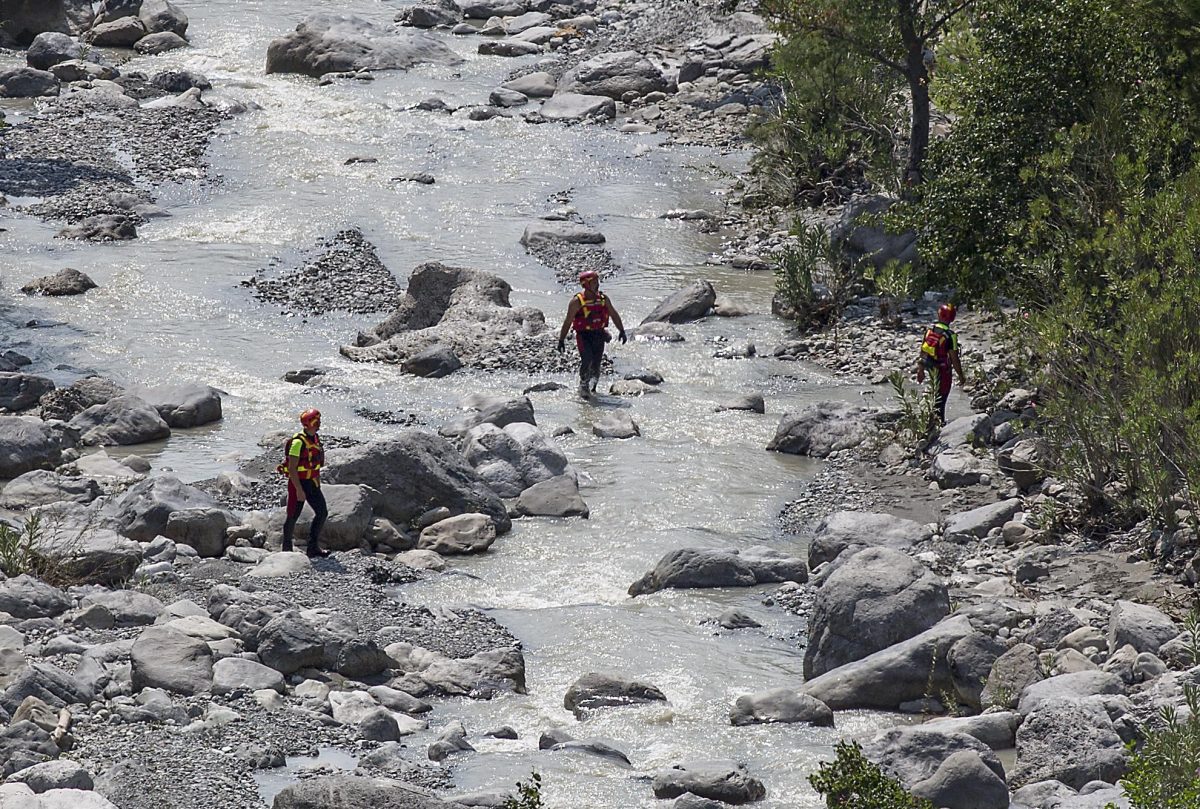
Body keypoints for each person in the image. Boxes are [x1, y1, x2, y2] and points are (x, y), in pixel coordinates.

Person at [556, 270, 626, 397]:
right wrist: (561, 340)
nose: (597, 284)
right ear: (586, 285)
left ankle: (593, 390)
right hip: (584, 336)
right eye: (594, 282)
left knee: (597, 364)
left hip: (599, 334)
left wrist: (621, 330)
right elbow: (567, 321)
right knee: (587, 359)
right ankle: (583, 386)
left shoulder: (604, 299)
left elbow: (614, 314)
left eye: (597, 282)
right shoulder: (577, 302)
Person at [276, 408, 330, 558]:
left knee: (322, 512)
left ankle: (313, 547)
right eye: (316, 422)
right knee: (293, 515)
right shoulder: (297, 443)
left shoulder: (316, 439)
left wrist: (317, 482)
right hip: (298, 483)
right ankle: (286, 549)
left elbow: (316, 464)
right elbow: (292, 469)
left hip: (312, 482)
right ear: (308, 424)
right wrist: (299, 490)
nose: (319, 425)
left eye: (319, 421)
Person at [914, 303, 966, 429]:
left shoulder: (929, 331)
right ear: (952, 318)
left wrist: (920, 370)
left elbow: (923, 352)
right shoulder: (950, 335)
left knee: (934, 395)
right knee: (941, 398)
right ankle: (939, 426)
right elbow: (954, 358)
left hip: (930, 366)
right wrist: (961, 375)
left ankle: (930, 424)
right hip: (943, 370)